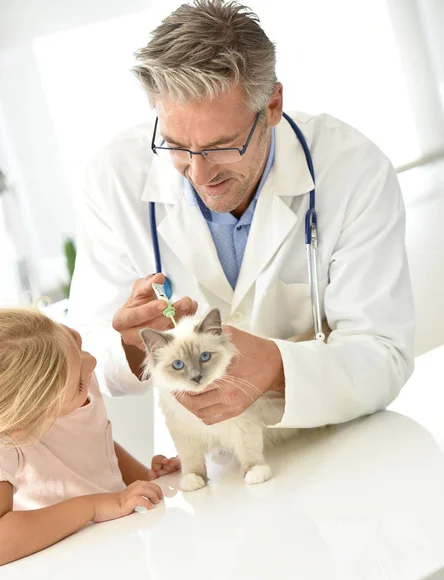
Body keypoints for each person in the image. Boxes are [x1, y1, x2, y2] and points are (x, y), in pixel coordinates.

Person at [68, 0, 415, 429]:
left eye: (220, 146)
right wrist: (131, 345)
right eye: (175, 145)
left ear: (272, 107)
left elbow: (384, 354)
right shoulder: (113, 177)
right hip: (212, 462)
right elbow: (82, 354)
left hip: (335, 437)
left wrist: (275, 366)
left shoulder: (353, 169)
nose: (197, 172)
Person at [0, 308, 180, 566]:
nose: (91, 362)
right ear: (25, 423)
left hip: (119, 543)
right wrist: (94, 506)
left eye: (75, 339)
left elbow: (95, 445)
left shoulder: (74, 367)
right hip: (63, 567)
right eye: (79, 387)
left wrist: (147, 480)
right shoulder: (6, 440)